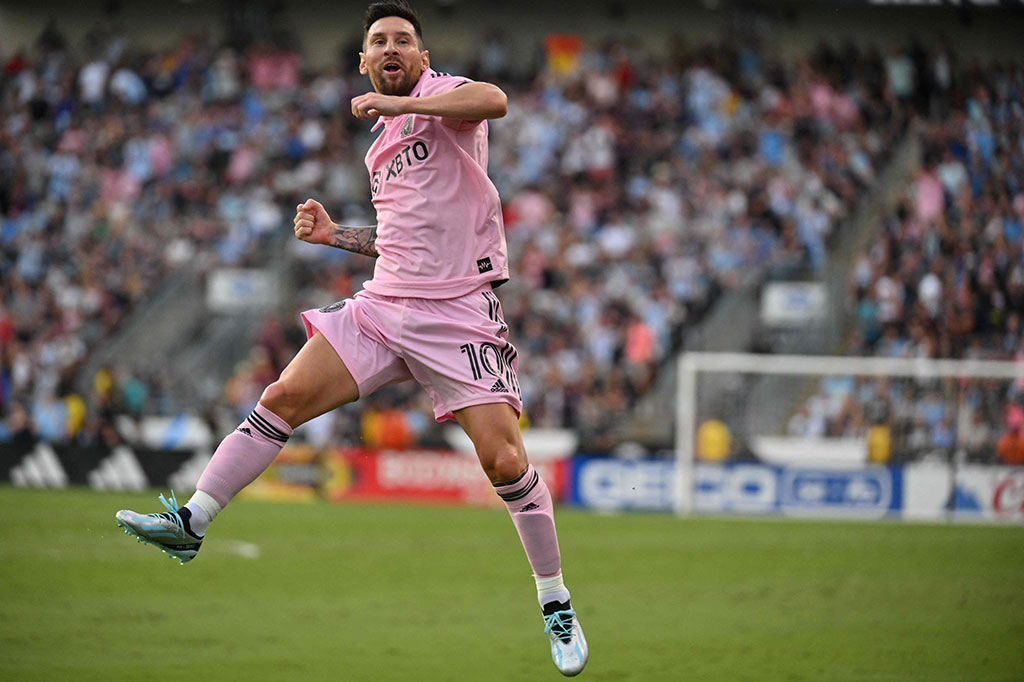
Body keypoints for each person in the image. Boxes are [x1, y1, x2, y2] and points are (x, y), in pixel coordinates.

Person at [114, 2, 588, 675]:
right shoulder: (379, 153)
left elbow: (497, 99)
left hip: (457, 315)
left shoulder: (443, 99)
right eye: (377, 41)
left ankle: (554, 601)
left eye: (403, 40)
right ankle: (191, 523)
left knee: (506, 463)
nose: (390, 47)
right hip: (384, 308)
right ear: (362, 61)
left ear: (422, 58)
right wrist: (334, 235)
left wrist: (400, 109)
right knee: (283, 395)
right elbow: (399, 241)